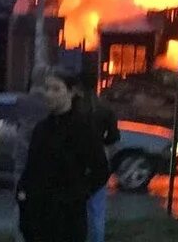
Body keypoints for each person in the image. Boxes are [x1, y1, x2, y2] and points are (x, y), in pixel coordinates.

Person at [16, 68, 110, 242]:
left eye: (56, 89)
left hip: (68, 220)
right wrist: (22, 194)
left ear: (71, 92)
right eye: (47, 89)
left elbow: (101, 171)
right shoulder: (42, 129)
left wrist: (78, 194)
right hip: (37, 217)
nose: (49, 94)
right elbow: (32, 168)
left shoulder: (84, 129)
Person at [74, 70, 120, 242]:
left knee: (76, 209)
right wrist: (101, 143)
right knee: (97, 211)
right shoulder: (105, 109)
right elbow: (114, 137)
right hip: (98, 164)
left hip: (76, 164)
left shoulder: (73, 108)